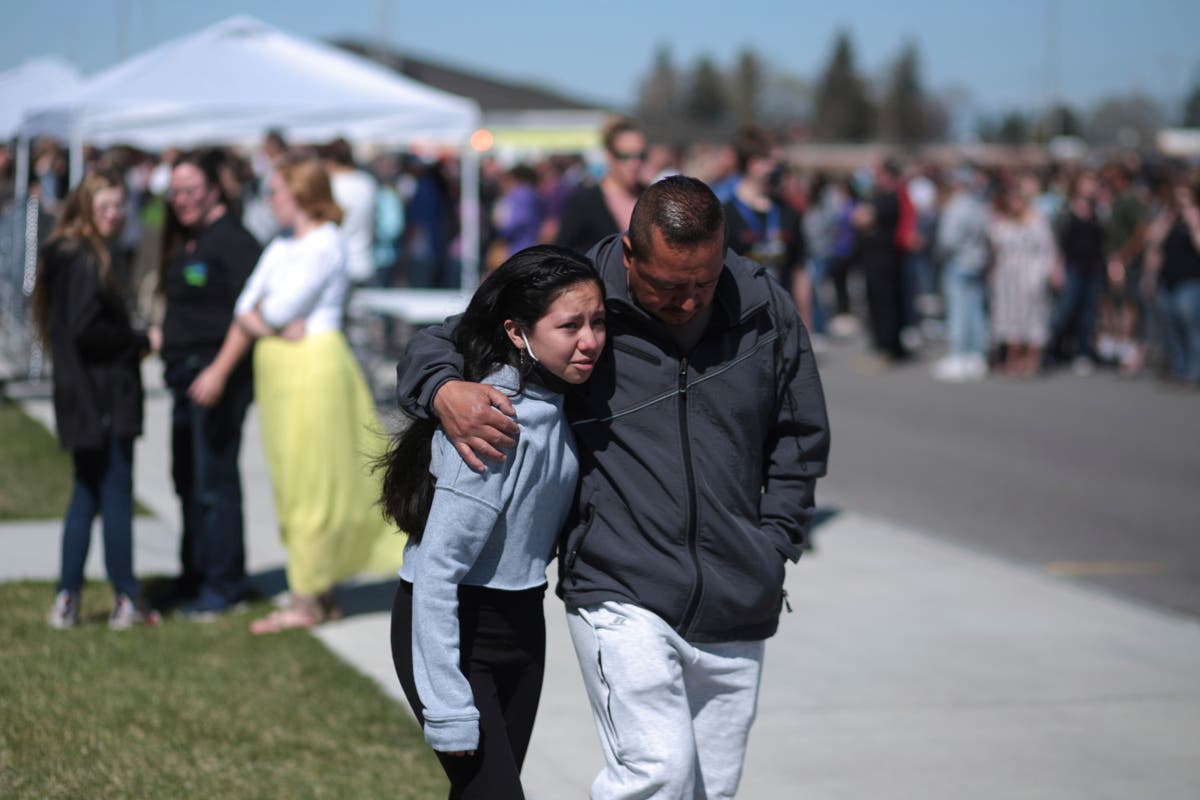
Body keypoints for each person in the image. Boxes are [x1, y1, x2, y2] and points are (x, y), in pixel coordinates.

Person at [395, 176, 830, 799]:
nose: (686, 302)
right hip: (620, 584)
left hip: (739, 588)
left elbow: (800, 434)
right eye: (667, 286)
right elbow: (451, 337)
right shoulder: (584, 297)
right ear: (630, 254)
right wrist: (442, 389)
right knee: (656, 774)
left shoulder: (764, 307)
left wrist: (774, 543)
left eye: (703, 283)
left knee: (711, 789)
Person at [385, 245, 606, 798]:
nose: (591, 341)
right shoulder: (492, 420)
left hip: (522, 625)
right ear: (516, 331)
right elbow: (437, 572)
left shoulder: (558, 399)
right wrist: (449, 706)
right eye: (570, 325)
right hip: (457, 628)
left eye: (599, 322)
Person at [190, 157, 407, 632]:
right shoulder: (285, 243)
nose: (271, 202)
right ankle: (318, 590)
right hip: (283, 372)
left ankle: (307, 596)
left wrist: (264, 316)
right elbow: (249, 304)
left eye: (278, 193)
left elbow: (278, 308)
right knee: (293, 479)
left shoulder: (323, 243)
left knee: (314, 482)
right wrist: (264, 318)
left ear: (303, 195)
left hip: (313, 370)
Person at [32, 167, 161, 630]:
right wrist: (139, 340)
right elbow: (88, 331)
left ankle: (68, 597)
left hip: (85, 395)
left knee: (87, 493)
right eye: (103, 206)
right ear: (84, 208)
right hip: (102, 396)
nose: (113, 215)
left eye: (118, 205)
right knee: (113, 493)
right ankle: (125, 596)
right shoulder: (84, 258)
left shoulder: (72, 254)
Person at [159, 148, 262, 616]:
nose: (181, 200)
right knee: (186, 479)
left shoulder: (234, 241)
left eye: (190, 191)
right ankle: (194, 575)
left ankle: (223, 585)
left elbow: (251, 316)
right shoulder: (189, 239)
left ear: (213, 191)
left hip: (217, 377)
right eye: (174, 192)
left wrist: (218, 371)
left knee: (213, 483)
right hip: (184, 376)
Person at [722, 125, 810, 328]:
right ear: (754, 163)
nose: (778, 168)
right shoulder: (725, 214)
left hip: (785, 321)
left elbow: (800, 271)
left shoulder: (789, 213)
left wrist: (806, 322)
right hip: (742, 325)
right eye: (773, 162)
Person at [989, 181, 1061, 377]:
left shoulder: (1037, 221)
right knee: (1011, 317)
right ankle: (1012, 360)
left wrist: (1051, 271)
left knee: (1034, 316)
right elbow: (996, 247)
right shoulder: (1004, 223)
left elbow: (1049, 249)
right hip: (1008, 277)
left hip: (1032, 274)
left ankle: (1032, 361)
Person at [931, 167, 992, 382]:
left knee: (958, 311)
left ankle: (959, 355)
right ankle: (976, 355)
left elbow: (948, 240)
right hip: (976, 262)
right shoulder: (979, 205)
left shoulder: (956, 207)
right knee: (975, 310)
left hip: (958, 263)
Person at [555, 115, 646, 254]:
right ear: (609, 156)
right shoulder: (584, 201)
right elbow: (562, 252)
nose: (634, 164)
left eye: (640, 156)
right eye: (624, 157)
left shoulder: (651, 197)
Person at [1144, 179, 1200, 386]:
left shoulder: (1195, 217)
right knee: (1169, 323)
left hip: (1191, 279)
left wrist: (1194, 225)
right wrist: (1150, 276)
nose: (1180, 199)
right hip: (1167, 278)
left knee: (1190, 323)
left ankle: (1194, 372)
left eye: (1185, 194)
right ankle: (1178, 367)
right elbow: (1153, 245)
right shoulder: (1169, 217)